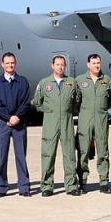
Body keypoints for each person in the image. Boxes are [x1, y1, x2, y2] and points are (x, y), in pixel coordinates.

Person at [32, 56, 80, 197]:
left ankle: (71, 185)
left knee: (69, 154)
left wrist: (68, 111)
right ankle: (47, 186)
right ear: (52, 65)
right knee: (48, 154)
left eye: (62, 65)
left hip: (66, 122)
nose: (60, 67)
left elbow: (77, 101)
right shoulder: (44, 82)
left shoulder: (71, 82)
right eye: (57, 64)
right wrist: (48, 110)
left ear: (65, 66)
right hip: (50, 122)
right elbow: (37, 101)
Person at [0, 52, 31, 197]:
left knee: (21, 156)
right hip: (3, 123)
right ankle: (1, 187)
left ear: (16, 63)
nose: (10, 65)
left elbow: (26, 102)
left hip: (19, 123)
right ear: (2, 64)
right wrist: (8, 117)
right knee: (2, 156)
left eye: (12, 63)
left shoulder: (23, 82)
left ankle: (24, 187)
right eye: (7, 63)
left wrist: (17, 116)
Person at [75, 54, 111, 193]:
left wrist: (102, 109)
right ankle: (82, 182)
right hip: (85, 120)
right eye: (93, 63)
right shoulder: (80, 80)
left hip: (101, 119)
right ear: (88, 65)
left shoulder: (107, 80)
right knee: (83, 151)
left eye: (98, 63)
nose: (96, 66)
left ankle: (104, 182)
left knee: (103, 151)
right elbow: (76, 101)